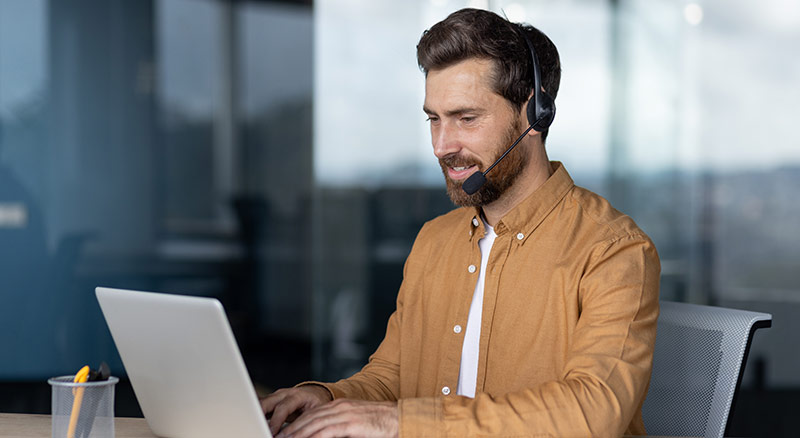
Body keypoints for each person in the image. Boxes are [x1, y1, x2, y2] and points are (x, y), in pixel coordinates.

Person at [262, 8, 660, 438]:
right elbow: (393, 377)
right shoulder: (435, 241)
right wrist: (327, 399)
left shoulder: (614, 250)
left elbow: (592, 412)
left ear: (534, 114)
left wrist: (401, 423)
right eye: (434, 118)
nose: (441, 145)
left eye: (466, 118)